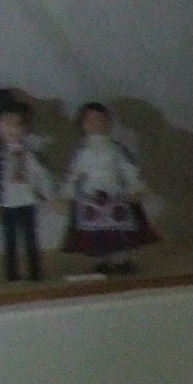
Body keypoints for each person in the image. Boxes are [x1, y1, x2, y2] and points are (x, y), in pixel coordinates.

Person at [61, 103, 158, 275]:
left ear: (109, 123)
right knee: (96, 231)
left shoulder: (117, 149)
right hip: (91, 195)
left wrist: (135, 187)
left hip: (114, 193)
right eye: (90, 120)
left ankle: (121, 260)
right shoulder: (81, 151)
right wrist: (66, 194)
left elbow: (129, 168)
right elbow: (73, 174)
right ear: (83, 124)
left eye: (100, 120)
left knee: (119, 228)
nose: (96, 124)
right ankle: (101, 261)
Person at [0, 88, 53, 283]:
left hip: (27, 200)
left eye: (18, 124)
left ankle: (35, 272)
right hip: (7, 202)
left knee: (30, 238)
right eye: (7, 124)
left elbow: (41, 176)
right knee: (10, 240)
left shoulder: (31, 156)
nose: (14, 130)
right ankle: (12, 274)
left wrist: (50, 195)